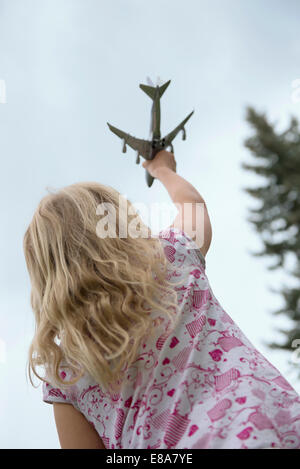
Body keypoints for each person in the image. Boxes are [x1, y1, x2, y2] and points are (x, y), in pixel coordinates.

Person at [23, 150, 300, 449]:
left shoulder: (64, 370)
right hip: (272, 424)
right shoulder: (170, 256)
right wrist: (162, 169)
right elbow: (192, 203)